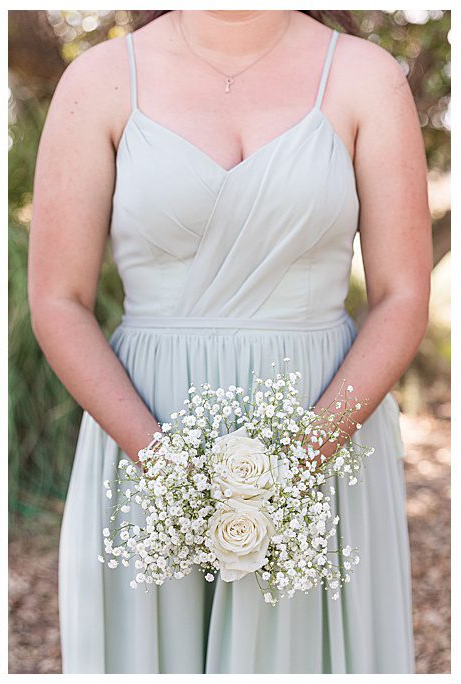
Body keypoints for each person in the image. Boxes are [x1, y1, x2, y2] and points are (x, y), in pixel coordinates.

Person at [29, 10, 428, 674]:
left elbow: (403, 295)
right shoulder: (98, 82)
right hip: (144, 431)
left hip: (324, 428)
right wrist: (164, 467)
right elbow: (56, 301)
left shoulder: (366, 78)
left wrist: (303, 459)